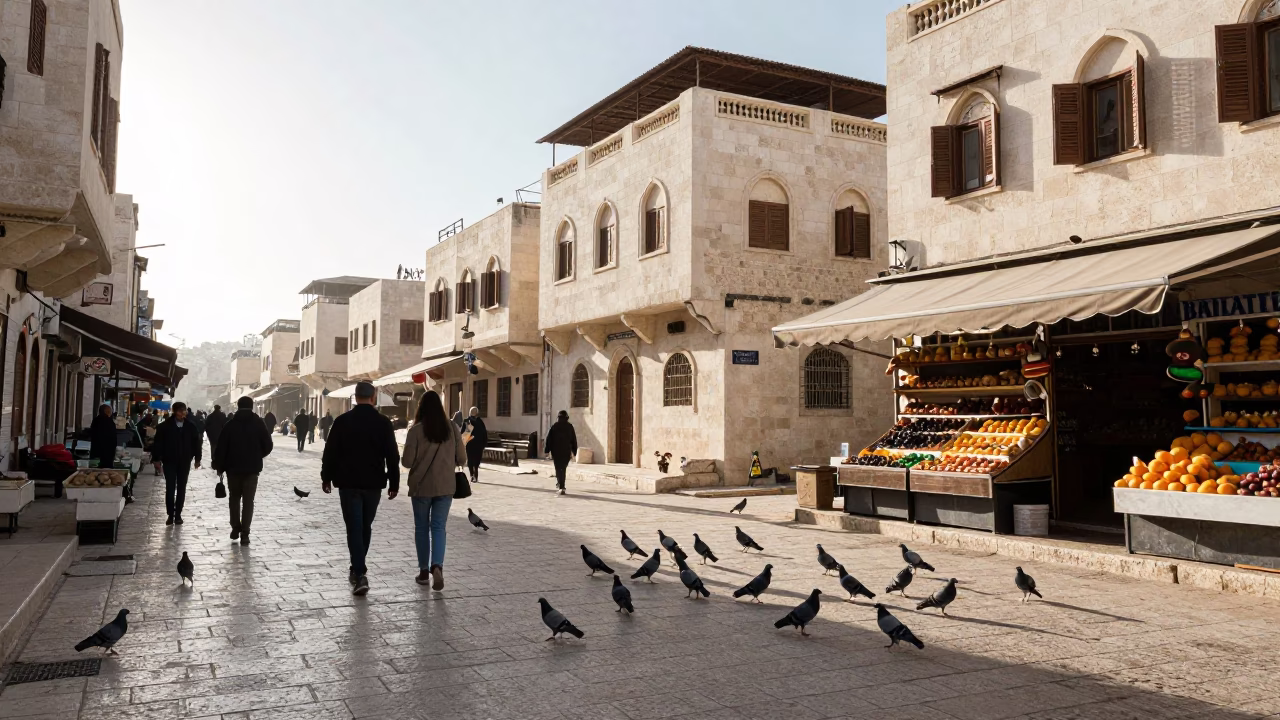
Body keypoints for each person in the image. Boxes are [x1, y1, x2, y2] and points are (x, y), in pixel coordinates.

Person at [321, 381, 400, 596]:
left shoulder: (342, 421)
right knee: (365, 526)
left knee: (354, 527)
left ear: (355, 397)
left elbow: (330, 452)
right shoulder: (383, 423)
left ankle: (359, 570)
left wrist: (326, 477)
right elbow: (392, 455)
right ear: (373, 397)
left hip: (347, 483)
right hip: (373, 483)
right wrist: (394, 482)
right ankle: (358, 568)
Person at [401, 391, 465, 589]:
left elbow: (407, 462)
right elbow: (462, 459)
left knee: (421, 528)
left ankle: (423, 571)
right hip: (445, 487)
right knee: (438, 527)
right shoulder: (452, 428)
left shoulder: (415, 431)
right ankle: (437, 566)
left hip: (421, 487)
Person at [211, 396, 273, 545]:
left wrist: (219, 466)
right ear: (252, 406)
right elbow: (268, 445)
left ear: (238, 407)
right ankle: (245, 533)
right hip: (252, 469)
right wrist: (258, 455)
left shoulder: (230, 425)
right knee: (248, 501)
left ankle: (235, 528)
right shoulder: (259, 424)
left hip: (233, 469)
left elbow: (221, 448)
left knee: (234, 499)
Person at [152, 401, 203, 525]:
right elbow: (158, 444)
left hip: (185, 461)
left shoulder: (191, 426)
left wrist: (197, 459)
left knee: (181, 488)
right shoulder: (164, 427)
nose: (182, 413)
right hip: (169, 461)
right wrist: (156, 459)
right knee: (170, 488)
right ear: (174, 412)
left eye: (184, 411)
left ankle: (178, 514)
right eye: (180, 411)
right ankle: (170, 514)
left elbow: (197, 443)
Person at [543, 410, 578, 495]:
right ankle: (562, 485)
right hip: (566, 451)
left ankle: (560, 485)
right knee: (563, 468)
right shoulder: (570, 427)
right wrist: (574, 451)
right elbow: (573, 440)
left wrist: (547, 450)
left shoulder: (555, 426)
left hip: (556, 451)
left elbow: (549, 439)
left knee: (558, 468)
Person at [462, 406, 487, 485]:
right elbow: (484, 433)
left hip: (469, 444)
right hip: (478, 444)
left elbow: (463, 433)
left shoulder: (466, 421)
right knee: (476, 460)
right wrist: (484, 444)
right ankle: (475, 474)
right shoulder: (480, 422)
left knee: (470, 459)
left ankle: (472, 475)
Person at [89, 404, 117, 470]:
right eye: (110, 411)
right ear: (106, 412)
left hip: (95, 451)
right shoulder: (109, 422)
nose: (111, 413)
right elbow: (112, 438)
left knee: (95, 470)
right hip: (107, 453)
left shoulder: (95, 421)